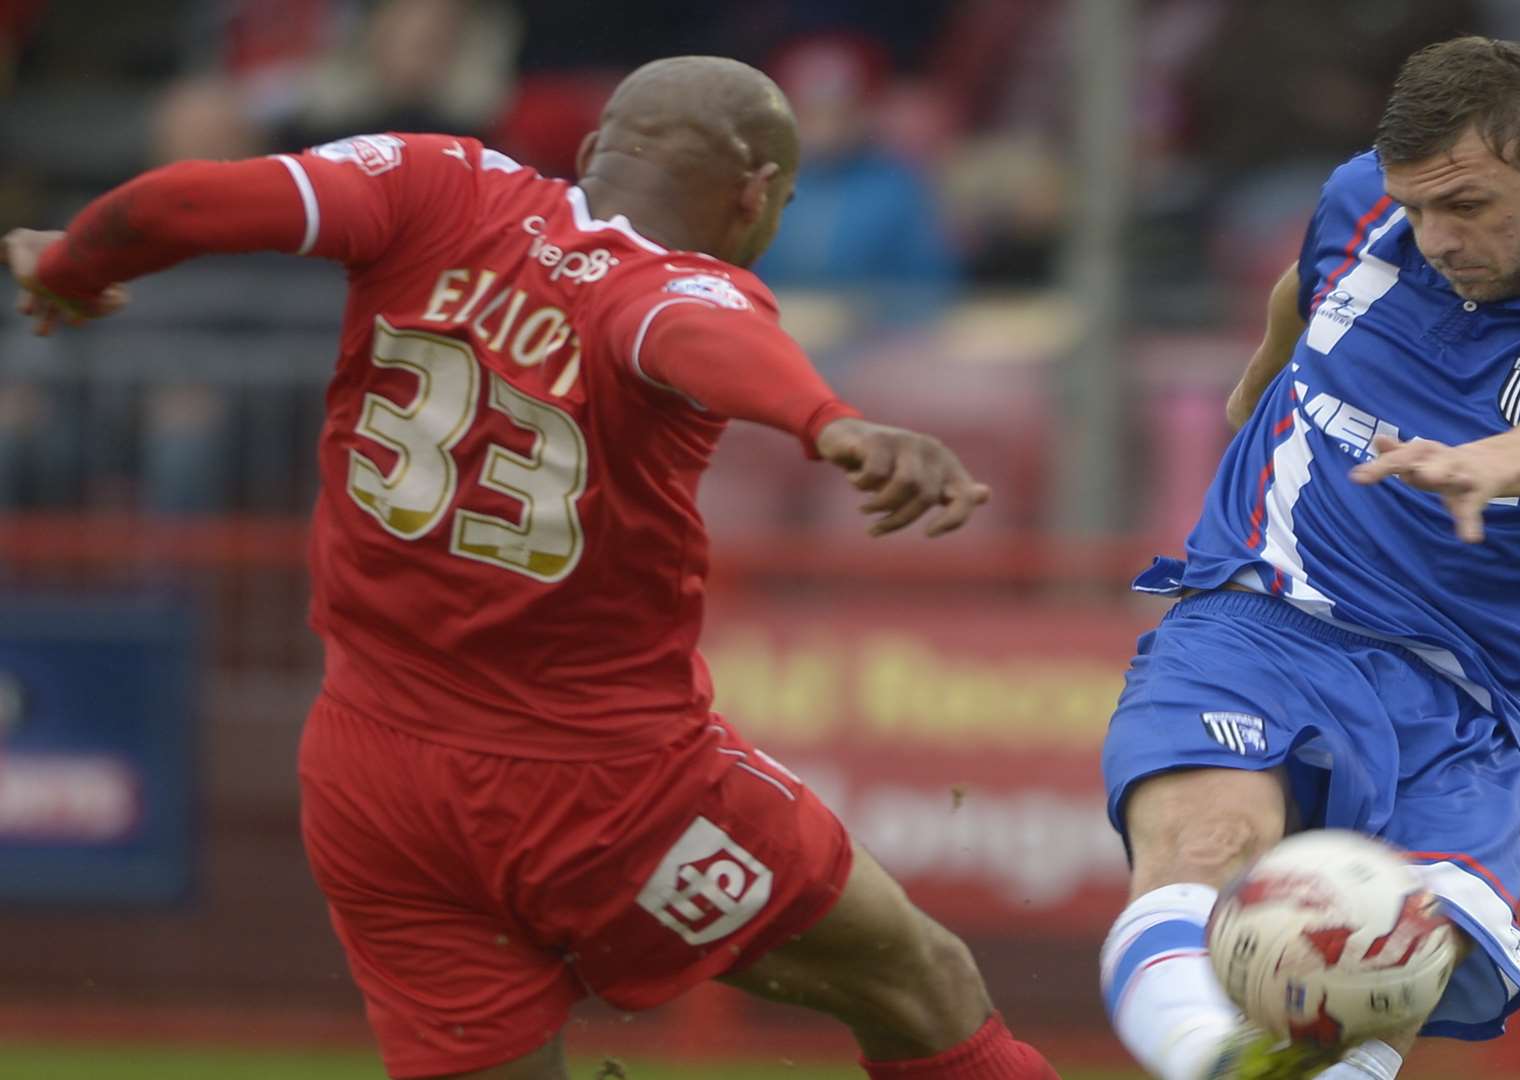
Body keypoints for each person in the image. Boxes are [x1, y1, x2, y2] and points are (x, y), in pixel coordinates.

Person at [7, 56, 1059, 1080]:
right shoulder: (682, 286)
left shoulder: (432, 182)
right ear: (755, 196)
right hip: (602, 789)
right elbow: (691, 336)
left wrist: (72, 267)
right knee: (920, 984)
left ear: (598, 146)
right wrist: (828, 421)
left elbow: (191, 205)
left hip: (371, 780)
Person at [1097, 37, 1520, 1080]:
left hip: (1463, 703)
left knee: (1383, 978)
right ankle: (1206, 1057)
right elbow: (1306, 286)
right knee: (1202, 849)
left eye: (1471, 208)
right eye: (1418, 207)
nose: (1436, 237)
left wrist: (1491, 462)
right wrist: (1259, 383)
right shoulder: (1365, 199)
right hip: (1261, 612)